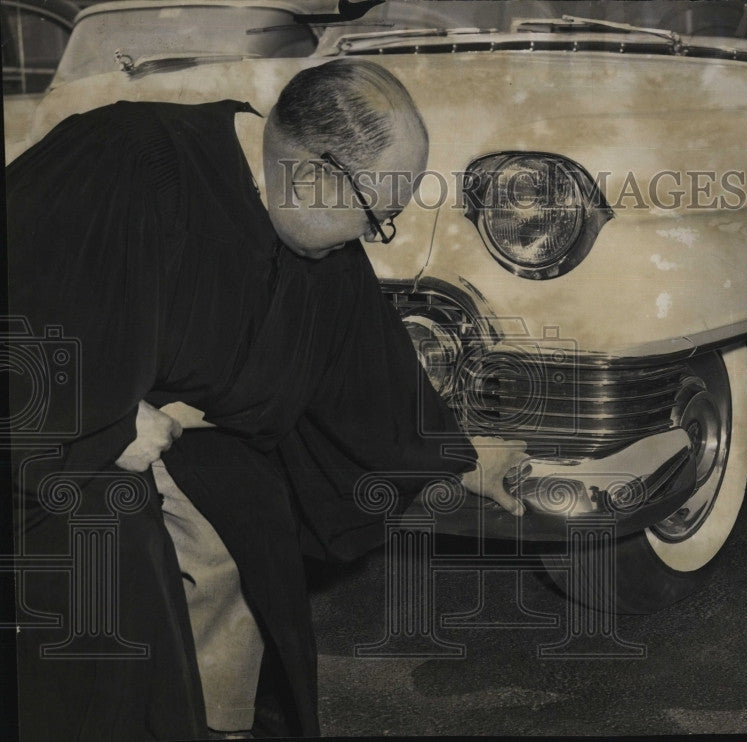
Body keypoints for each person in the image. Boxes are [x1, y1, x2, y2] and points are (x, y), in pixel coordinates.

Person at [8, 58, 525, 740]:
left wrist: (463, 458)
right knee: (117, 551)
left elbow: (368, 377)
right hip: (45, 444)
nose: (370, 240)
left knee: (248, 522)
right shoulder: (124, 157)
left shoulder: (314, 237)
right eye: (377, 219)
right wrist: (102, 418)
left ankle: (211, 725)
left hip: (177, 440)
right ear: (314, 174)